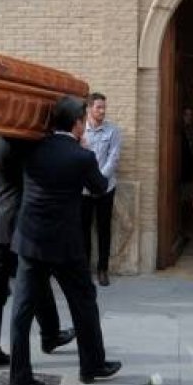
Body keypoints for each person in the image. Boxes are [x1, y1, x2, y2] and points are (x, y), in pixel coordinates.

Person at [9, 96, 120, 385]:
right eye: (83, 121)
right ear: (76, 124)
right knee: (84, 302)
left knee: (21, 313)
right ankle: (92, 365)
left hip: (30, 240)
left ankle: (20, 381)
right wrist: (86, 153)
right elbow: (99, 187)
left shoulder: (30, 147)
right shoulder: (80, 156)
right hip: (65, 244)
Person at [0, 136, 74, 371]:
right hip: (21, 221)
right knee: (34, 278)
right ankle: (49, 335)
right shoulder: (18, 144)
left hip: (1, 218)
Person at [81, 92, 122, 286]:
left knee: (104, 229)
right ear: (89, 108)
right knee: (83, 230)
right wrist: (89, 181)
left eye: (104, 107)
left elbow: (113, 159)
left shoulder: (113, 131)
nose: (102, 111)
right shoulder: (80, 131)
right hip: (83, 189)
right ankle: (84, 269)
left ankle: (103, 269)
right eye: (98, 107)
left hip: (106, 187)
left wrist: (99, 179)